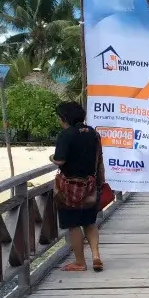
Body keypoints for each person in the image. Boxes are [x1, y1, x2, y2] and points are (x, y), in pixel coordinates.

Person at [50, 101, 104, 272]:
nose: (59, 121)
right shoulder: (93, 133)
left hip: (69, 187)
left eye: (60, 117)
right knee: (90, 222)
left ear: (65, 118)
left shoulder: (66, 135)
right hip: (90, 185)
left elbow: (60, 160)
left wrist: (51, 158)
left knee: (73, 224)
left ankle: (80, 262)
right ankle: (96, 255)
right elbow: (99, 159)